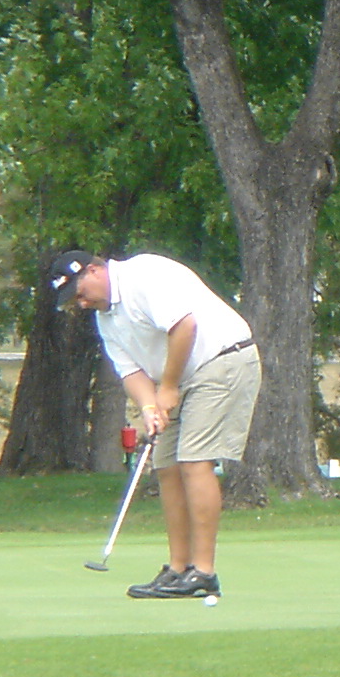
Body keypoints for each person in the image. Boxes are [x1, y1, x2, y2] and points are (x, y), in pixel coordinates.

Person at [47, 249, 261, 601]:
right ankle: (179, 569)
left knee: (194, 461)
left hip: (222, 358)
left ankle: (204, 572)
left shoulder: (142, 275)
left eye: (80, 293)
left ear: (96, 270)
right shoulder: (106, 320)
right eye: (73, 300)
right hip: (176, 376)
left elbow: (184, 326)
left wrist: (169, 388)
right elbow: (130, 371)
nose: (80, 303)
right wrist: (150, 406)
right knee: (166, 466)